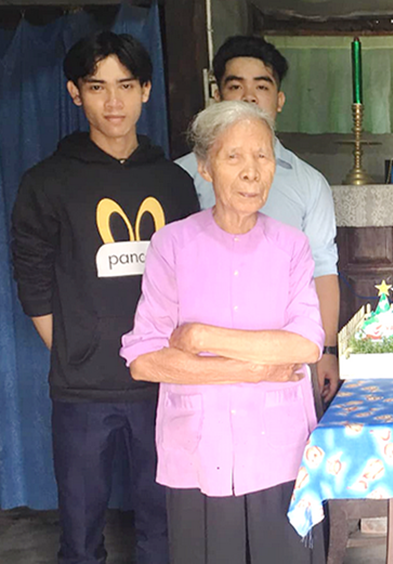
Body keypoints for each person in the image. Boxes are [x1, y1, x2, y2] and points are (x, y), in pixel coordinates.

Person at [10, 31, 200, 564]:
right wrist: (72, 348)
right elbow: (31, 274)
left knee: (163, 526)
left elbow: (193, 276)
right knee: (80, 530)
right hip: (82, 389)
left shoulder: (174, 183)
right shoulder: (46, 183)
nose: (112, 102)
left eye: (125, 86)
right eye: (96, 87)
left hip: (162, 382)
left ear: (145, 91)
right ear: (75, 93)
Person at [120, 101, 326, 564]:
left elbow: (305, 343)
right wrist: (254, 369)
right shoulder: (171, 245)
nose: (252, 172)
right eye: (234, 157)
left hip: (278, 447)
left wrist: (200, 337)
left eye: (263, 156)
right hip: (199, 449)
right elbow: (145, 359)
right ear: (205, 168)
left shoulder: (291, 246)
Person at [175, 36, 341, 405]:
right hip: (202, 364)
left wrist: (327, 350)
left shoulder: (308, 183)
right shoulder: (180, 176)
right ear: (218, 95)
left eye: (261, 87)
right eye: (236, 86)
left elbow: (323, 269)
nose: (249, 97)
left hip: (283, 360)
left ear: (279, 100)